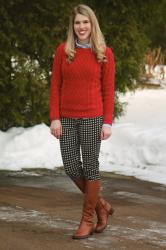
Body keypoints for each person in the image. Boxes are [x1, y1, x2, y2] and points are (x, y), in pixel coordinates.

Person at [50, 4, 115, 240]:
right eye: (77, 23)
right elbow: (55, 86)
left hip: (93, 118)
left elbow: (108, 91)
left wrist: (107, 122)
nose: (81, 27)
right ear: (73, 26)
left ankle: (88, 219)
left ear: (92, 24)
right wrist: (55, 118)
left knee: (90, 167)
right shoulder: (63, 51)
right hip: (66, 118)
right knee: (70, 166)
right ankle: (101, 206)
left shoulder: (104, 53)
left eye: (85, 22)